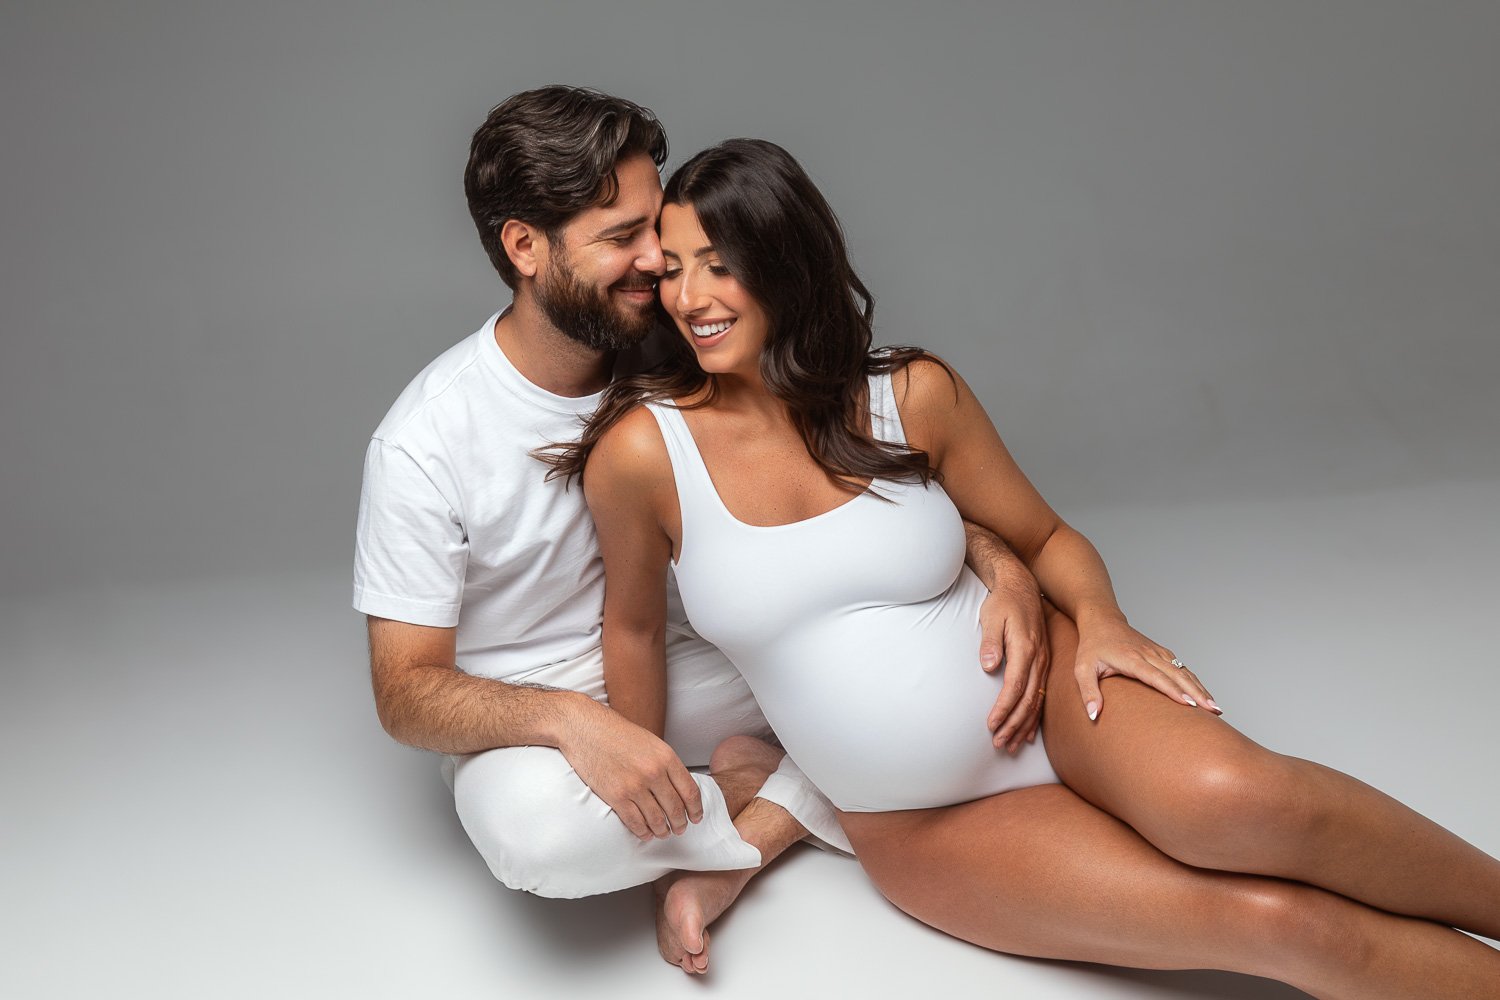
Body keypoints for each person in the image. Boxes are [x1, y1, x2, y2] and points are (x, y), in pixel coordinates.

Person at [564, 138, 1500, 995]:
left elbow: (1046, 539)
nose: (690, 298)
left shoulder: (910, 394)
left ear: (787, 265)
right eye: (674, 268)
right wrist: (644, 780)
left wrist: (1102, 623)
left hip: (1054, 695)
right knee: (1279, 924)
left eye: (721, 265)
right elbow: (635, 628)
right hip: (922, 822)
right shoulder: (647, 454)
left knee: (1248, 802)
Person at [352, 87, 1045, 966]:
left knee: (953, 665)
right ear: (524, 247)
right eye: (621, 238)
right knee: (537, 842)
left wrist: (995, 559)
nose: (659, 262)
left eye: (656, 227)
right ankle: (793, 808)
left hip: (704, 650)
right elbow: (405, 692)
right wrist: (573, 722)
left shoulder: (677, 333)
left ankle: (758, 826)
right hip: (531, 704)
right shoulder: (423, 440)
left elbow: (857, 482)